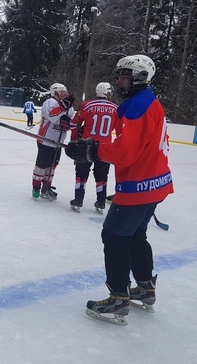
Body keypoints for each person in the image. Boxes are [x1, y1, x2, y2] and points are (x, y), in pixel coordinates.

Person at [65, 54, 173, 325]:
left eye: (124, 75)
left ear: (139, 77)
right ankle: (145, 289)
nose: (118, 80)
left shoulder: (136, 105)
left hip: (139, 186)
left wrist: (93, 149)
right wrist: (93, 145)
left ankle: (118, 299)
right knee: (136, 235)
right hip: (156, 183)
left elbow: (126, 152)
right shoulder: (149, 101)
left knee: (113, 236)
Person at [69, 82, 117, 213]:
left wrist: (75, 140)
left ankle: (78, 199)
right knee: (102, 176)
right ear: (106, 93)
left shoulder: (86, 105)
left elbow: (74, 124)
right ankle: (101, 202)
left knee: (81, 173)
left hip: (86, 146)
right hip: (105, 147)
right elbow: (115, 128)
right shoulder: (116, 108)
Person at [32, 83, 75, 200]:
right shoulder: (50, 102)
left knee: (52, 167)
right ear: (55, 92)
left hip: (58, 143)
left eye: (65, 92)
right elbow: (52, 116)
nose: (65, 94)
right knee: (42, 165)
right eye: (62, 91)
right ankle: (36, 187)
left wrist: (68, 123)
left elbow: (71, 121)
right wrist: (63, 107)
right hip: (46, 140)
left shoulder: (69, 106)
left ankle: (46, 187)